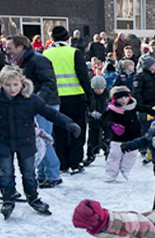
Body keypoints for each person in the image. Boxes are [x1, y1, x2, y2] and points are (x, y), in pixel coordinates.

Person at [0, 65, 79, 218]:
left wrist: (68, 123)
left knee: (28, 173)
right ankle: (8, 198)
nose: (12, 88)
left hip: (26, 142)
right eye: (7, 85)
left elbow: (49, 112)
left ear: (22, 83)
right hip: (3, 142)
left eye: (15, 84)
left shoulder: (31, 99)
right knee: (5, 172)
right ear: (1, 84)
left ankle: (33, 197)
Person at [6, 35, 63, 188]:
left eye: (9, 48)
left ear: (20, 47)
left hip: (45, 105)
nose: (7, 51)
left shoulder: (37, 60)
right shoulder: (20, 62)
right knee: (36, 138)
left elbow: (49, 82)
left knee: (43, 138)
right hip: (34, 105)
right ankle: (43, 172)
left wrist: (38, 102)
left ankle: (52, 174)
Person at [44, 26, 93, 174]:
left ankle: (62, 163)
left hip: (54, 99)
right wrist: (90, 96)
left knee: (59, 132)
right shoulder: (74, 52)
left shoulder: (46, 53)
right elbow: (83, 76)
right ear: (68, 39)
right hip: (75, 97)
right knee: (77, 131)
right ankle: (75, 162)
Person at [101, 86, 155, 182]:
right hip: (118, 136)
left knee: (131, 154)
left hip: (133, 134)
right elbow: (105, 120)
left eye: (125, 97)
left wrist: (153, 113)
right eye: (120, 98)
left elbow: (144, 108)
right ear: (115, 99)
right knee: (115, 155)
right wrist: (112, 125)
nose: (123, 100)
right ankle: (111, 173)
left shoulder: (133, 105)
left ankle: (126, 169)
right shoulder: (112, 109)